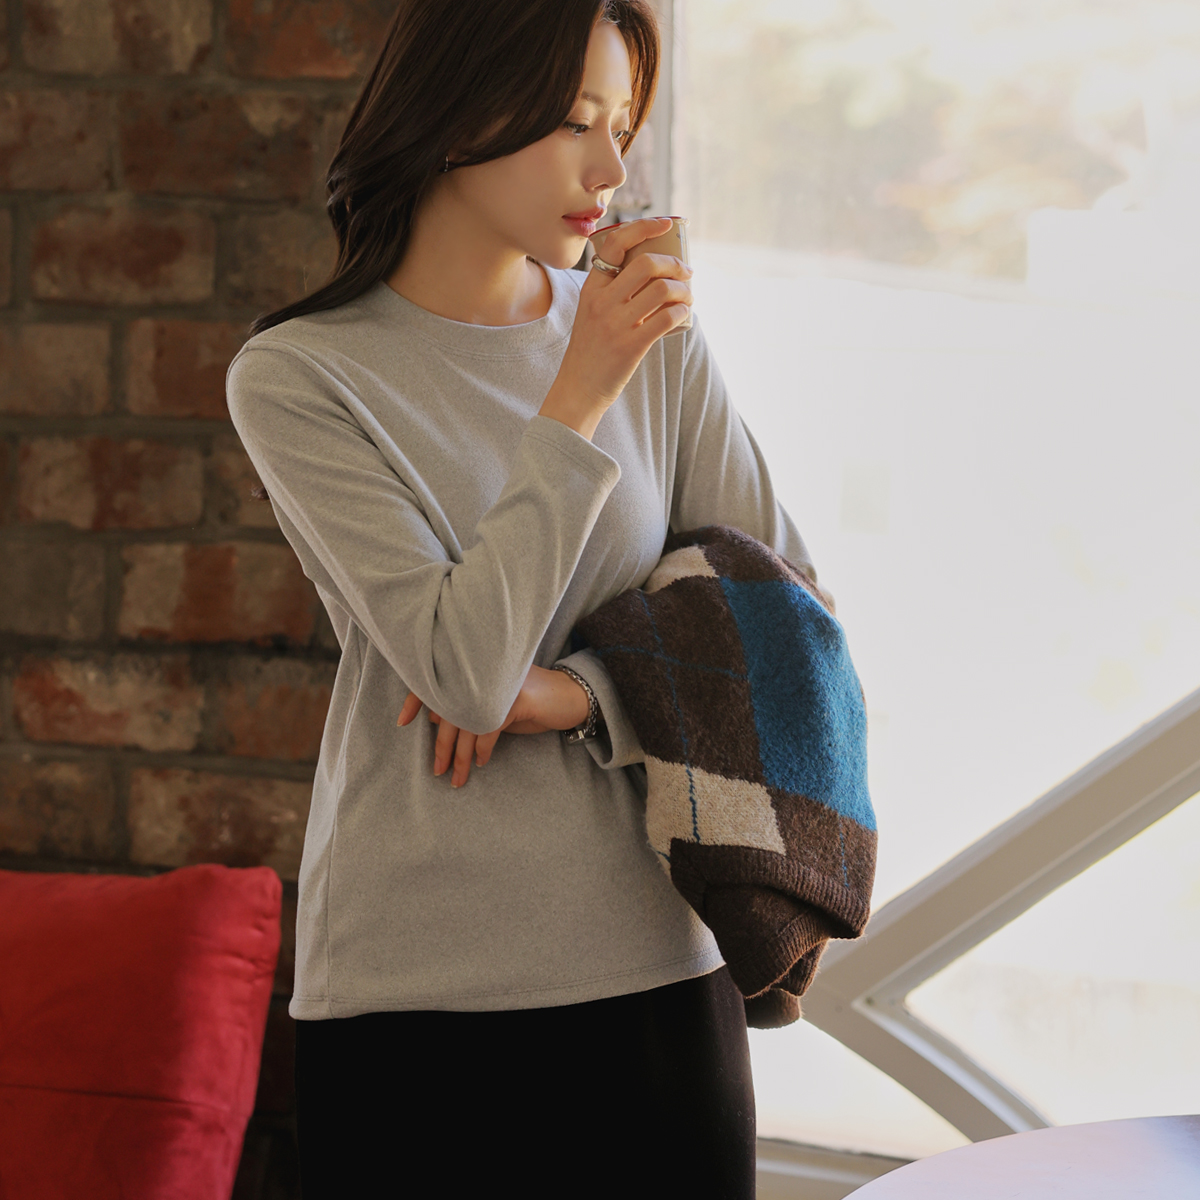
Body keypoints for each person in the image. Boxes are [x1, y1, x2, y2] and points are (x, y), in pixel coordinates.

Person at [225, 1, 823, 1195]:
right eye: (570, 123)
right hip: (415, 994)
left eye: (621, 126)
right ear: (457, 114)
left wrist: (583, 694)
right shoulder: (301, 377)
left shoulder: (652, 338)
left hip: (659, 963)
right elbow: (463, 672)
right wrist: (580, 387)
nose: (610, 171)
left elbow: (789, 615)